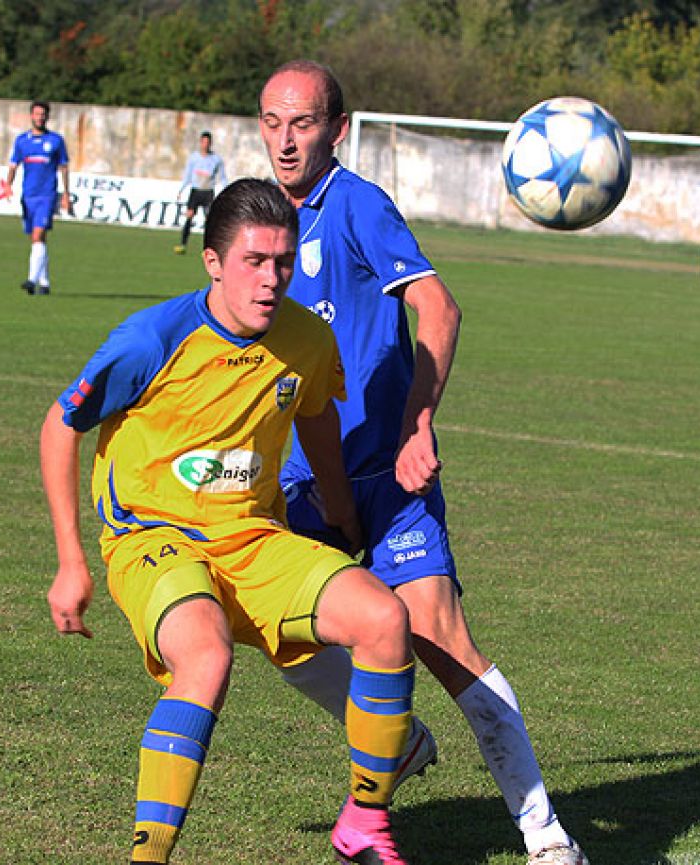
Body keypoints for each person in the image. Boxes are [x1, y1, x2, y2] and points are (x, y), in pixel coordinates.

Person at [257, 60, 589, 865]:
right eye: (271, 122)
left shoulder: (359, 206)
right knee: (277, 631)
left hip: (389, 478)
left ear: (338, 129)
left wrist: (417, 421)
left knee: (439, 640)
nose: (285, 140)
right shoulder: (259, 222)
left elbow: (438, 305)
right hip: (305, 479)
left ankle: (544, 833)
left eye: (302, 123)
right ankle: (397, 741)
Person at [40, 177, 419, 865]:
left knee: (385, 620)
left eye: (282, 260)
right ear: (212, 261)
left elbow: (317, 416)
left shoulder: (306, 337)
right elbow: (59, 425)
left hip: (253, 537)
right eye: (253, 261)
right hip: (155, 538)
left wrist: (337, 509)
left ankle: (364, 821)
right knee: (206, 654)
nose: (271, 279)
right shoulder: (151, 339)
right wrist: (71, 561)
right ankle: (147, 857)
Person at [0, 100, 72, 295]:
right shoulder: (22, 140)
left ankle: (31, 280)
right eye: (37, 114)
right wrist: (8, 185)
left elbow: (64, 168)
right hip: (28, 195)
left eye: (43, 114)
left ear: (47, 117)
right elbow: (14, 165)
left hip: (46, 195)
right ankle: (45, 282)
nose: (40, 117)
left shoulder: (56, 141)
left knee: (38, 235)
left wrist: (66, 194)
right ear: (31, 116)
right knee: (37, 239)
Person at [173, 130, 227, 255]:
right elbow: (187, 175)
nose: (205, 144)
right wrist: (181, 189)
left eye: (208, 142)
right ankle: (183, 244)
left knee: (209, 220)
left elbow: (222, 177)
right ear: (200, 142)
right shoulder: (194, 158)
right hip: (195, 191)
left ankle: (210, 248)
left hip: (208, 192)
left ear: (211, 143)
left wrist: (226, 190)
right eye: (203, 142)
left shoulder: (216, 159)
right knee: (189, 216)